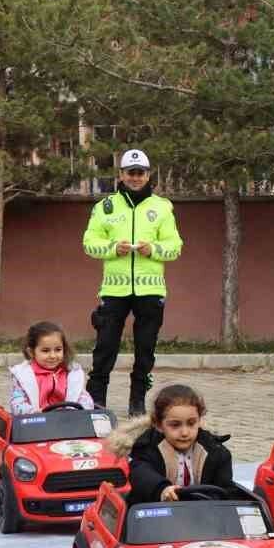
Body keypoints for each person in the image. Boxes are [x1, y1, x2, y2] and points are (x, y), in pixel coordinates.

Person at [82, 149, 183, 416]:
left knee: (145, 348)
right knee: (105, 347)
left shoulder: (162, 207)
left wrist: (155, 250)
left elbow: (175, 246)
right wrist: (114, 248)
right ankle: (96, 401)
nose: (136, 178)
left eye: (141, 173)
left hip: (150, 290)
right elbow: (89, 244)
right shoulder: (105, 207)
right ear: (121, 175)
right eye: (131, 173)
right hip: (114, 290)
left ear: (148, 175)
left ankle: (137, 401)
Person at [110, 384, 235, 505]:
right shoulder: (145, 448)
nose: (185, 433)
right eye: (175, 425)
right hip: (156, 516)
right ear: (158, 424)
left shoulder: (216, 452)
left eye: (191, 423)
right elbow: (141, 474)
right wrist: (162, 490)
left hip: (202, 516)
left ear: (199, 420)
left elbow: (225, 490)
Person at [10, 321, 93, 414]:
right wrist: (33, 412)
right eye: (45, 351)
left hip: (67, 421)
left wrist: (80, 409)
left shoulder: (72, 373)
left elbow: (85, 399)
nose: (53, 356)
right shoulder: (23, 375)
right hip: (36, 422)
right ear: (31, 352)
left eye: (58, 350)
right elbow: (16, 404)